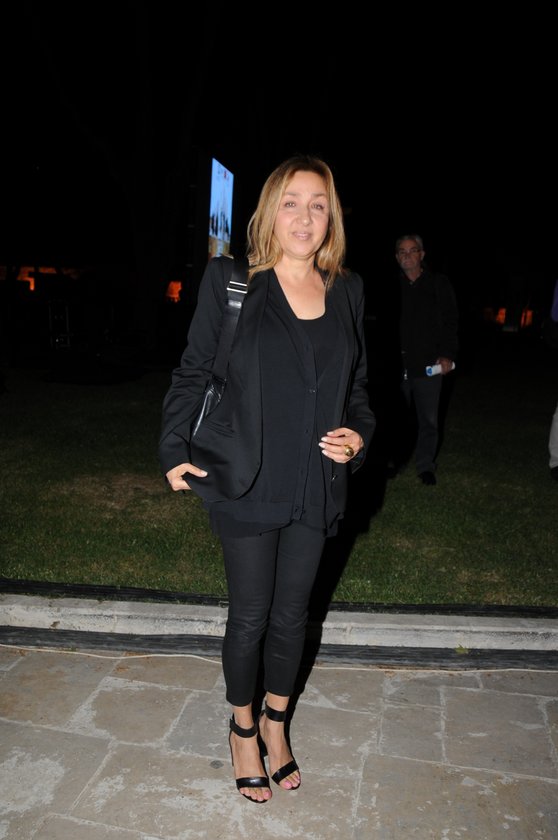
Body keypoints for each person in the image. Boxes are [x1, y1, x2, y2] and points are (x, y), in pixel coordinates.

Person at [159, 155, 376, 803]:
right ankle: (242, 728)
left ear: (331, 217)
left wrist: (359, 437)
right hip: (247, 477)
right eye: (291, 202)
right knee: (251, 615)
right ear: (269, 211)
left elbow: (359, 390)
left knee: (292, 616)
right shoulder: (232, 282)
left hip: (315, 479)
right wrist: (172, 445)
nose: (304, 217)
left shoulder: (348, 290)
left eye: (318, 204)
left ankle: (277, 725)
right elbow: (194, 370)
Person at [394, 234, 458, 485]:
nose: (407, 255)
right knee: (396, 418)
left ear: (422, 255)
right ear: (397, 257)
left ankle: (425, 466)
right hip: (398, 365)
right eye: (402, 251)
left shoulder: (438, 284)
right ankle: (395, 461)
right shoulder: (392, 286)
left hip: (429, 364)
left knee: (428, 420)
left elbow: (451, 321)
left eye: (412, 250)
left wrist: (447, 354)